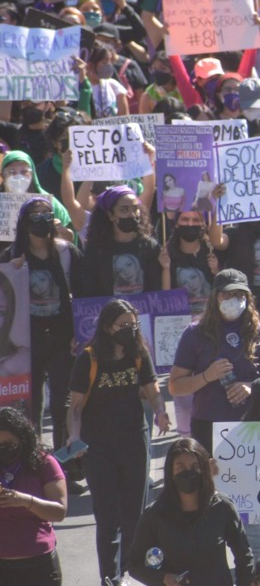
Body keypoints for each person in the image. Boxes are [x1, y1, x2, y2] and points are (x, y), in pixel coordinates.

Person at [67, 299, 170, 584]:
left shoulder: (138, 353)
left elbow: (152, 390)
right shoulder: (88, 358)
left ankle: (128, 571)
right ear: (107, 327)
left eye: (132, 325)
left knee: (134, 514)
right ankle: (109, 577)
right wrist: (74, 435)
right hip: (97, 447)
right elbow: (75, 407)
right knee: (107, 516)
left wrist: (160, 411)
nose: (129, 329)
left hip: (134, 442)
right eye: (122, 325)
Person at [169, 269, 260, 453]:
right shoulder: (194, 333)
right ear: (216, 297)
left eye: (240, 294)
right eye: (227, 294)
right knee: (211, 480)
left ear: (248, 299)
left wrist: (252, 386)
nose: (234, 299)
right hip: (207, 423)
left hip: (251, 424)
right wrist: (207, 376)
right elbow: (175, 386)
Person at [0, 196, 81, 458]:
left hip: (62, 339)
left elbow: (84, 296)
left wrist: (78, 333)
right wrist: (9, 273)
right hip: (25, 342)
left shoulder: (68, 252)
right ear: (24, 223)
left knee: (62, 404)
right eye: (36, 216)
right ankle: (32, 463)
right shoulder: (11, 256)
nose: (42, 221)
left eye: (47, 215)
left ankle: (63, 462)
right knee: (29, 406)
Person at [129, 437, 253, 585]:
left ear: (204, 470)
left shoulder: (223, 507)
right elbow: (134, 565)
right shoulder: (155, 514)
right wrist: (164, 578)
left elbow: (244, 556)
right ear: (170, 471)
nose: (188, 472)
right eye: (180, 467)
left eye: (195, 467)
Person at [0, 406, 68, 584]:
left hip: (38, 564)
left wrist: (26, 501)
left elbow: (59, 512)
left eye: (9, 445)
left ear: (23, 440)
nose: (3, 450)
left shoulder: (44, 463)